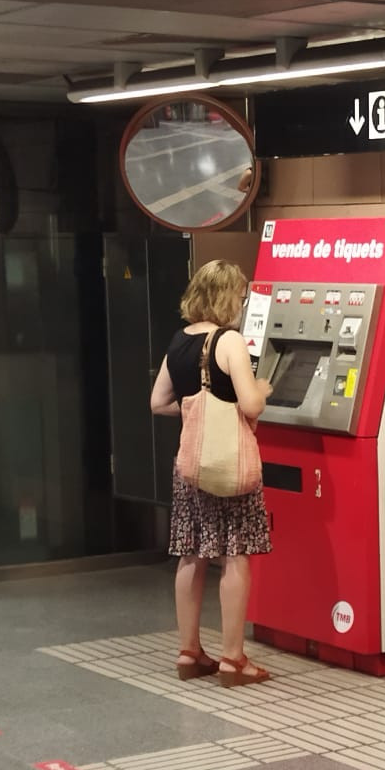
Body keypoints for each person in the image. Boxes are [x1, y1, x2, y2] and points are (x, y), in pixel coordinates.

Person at [149, 259, 273, 686]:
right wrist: (262, 389)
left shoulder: (179, 340)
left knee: (191, 553)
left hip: (190, 464)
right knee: (235, 553)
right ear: (226, 297)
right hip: (228, 463)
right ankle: (233, 659)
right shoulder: (229, 341)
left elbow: (158, 402)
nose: (242, 303)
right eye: (239, 295)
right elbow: (251, 405)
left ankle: (188, 653)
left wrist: (195, 412)